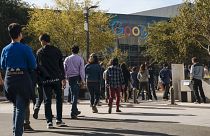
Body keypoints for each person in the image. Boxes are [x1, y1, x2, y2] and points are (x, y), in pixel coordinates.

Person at [1, 23, 36, 136]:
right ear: (20, 34)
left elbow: (3, 65)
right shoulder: (26, 48)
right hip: (22, 80)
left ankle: (15, 132)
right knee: (20, 108)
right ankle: (17, 134)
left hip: (9, 80)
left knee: (16, 107)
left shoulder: (5, 49)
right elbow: (33, 65)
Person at [36, 33, 66, 129]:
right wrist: (63, 78)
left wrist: (38, 80)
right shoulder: (57, 50)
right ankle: (59, 119)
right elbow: (61, 65)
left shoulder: (39, 52)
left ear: (43, 41)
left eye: (40, 41)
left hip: (45, 80)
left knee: (47, 100)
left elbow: (37, 67)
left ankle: (49, 121)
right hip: (57, 78)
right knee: (58, 99)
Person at [64, 45, 85, 119]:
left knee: (73, 93)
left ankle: (75, 110)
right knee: (75, 95)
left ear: (71, 50)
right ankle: (73, 112)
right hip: (77, 77)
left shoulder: (67, 58)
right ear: (78, 50)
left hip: (70, 77)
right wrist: (83, 80)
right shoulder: (80, 59)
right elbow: (82, 70)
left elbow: (64, 69)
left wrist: (65, 77)